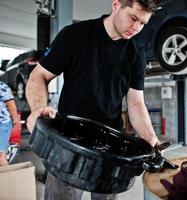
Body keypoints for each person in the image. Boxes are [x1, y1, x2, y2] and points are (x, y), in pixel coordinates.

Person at [25, 0, 160, 199]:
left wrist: (151, 139)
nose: (136, 28)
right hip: (69, 142)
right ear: (116, 4)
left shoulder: (136, 54)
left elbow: (135, 103)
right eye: (133, 18)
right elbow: (39, 76)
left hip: (111, 146)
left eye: (142, 23)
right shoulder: (75, 35)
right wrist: (38, 108)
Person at [0, 81, 18, 166]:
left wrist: (15, 119)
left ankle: (7, 178)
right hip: (3, 124)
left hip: (2, 124)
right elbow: (11, 105)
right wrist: (15, 120)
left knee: (1, 157)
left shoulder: (1, 86)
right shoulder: (2, 86)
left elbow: (11, 105)